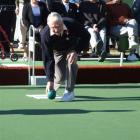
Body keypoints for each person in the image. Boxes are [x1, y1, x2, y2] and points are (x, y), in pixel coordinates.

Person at [40, 12, 90, 101]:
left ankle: (69, 91)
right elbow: (48, 59)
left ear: (62, 22)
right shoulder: (45, 35)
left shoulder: (72, 24)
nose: (56, 30)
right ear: (48, 25)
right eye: (53, 27)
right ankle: (53, 85)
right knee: (60, 78)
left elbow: (86, 36)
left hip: (72, 48)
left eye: (58, 26)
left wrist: (76, 50)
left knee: (71, 62)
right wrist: (49, 80)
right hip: (57, 51)